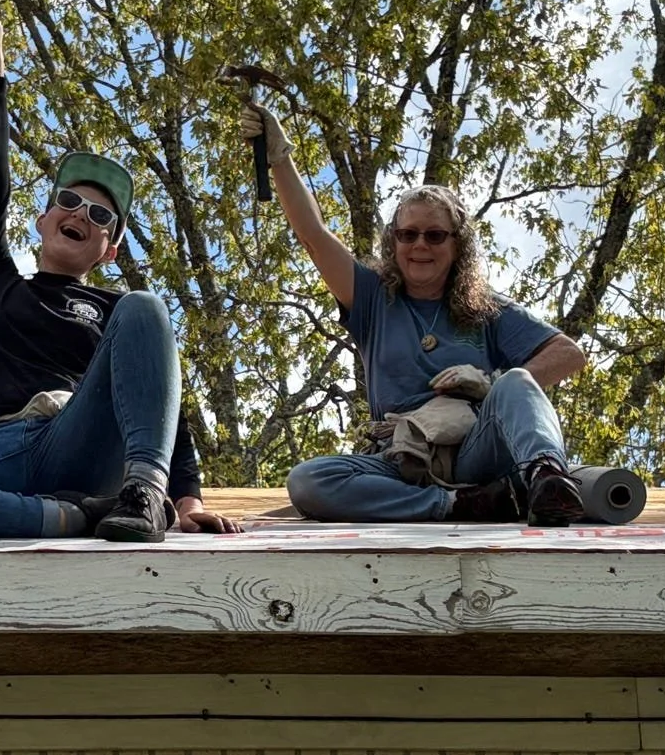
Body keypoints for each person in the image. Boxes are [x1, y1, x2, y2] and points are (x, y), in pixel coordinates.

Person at [0, 8, 240, 542]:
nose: (81, 215)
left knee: (146, 306)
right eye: (69, 201)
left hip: (80, 442)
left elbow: (165, 406)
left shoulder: (116, 313)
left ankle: (144, 494)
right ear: (43, 218)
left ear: (109, 250)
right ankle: (69, 517)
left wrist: (187, 501)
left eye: (99, 215)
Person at [239, 99, 590, 525]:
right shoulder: (372, 299)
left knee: (517, 382)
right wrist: (279, 157)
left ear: (457, 245)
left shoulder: (486, 309)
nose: (420, 245)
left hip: (474, 453)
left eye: (435, 235)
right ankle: (463, 504)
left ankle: (547, 479)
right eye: (407, 234)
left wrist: (488, 383)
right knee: (309, 481)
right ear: (394, 242)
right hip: (401, 460)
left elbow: (568, 354)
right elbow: (313, 234)